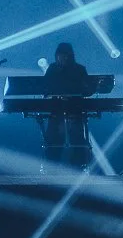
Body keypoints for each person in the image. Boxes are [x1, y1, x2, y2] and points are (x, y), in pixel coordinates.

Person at [39, 39, 92, 170]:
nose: (62, 58)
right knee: (54, 139)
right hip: (56, 108)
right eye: (60, 55)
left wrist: (76, 93)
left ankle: (78, 167)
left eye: (65, 55)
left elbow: (89, 89)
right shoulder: (52, 69)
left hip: (75, 108)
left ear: (70, 56)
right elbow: (44, 87)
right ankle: (52, 167)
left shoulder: (79, 70)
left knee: (77, 139)